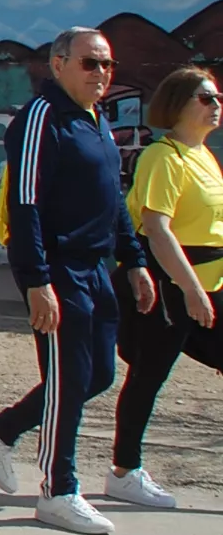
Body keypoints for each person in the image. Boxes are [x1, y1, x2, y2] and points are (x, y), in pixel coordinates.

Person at [0, 27, 154, 535]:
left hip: (97, 269)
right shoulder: (39, 120)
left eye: (108, 65)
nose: (102, 74)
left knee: (96, 377)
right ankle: (58, 491)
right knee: (68, 380)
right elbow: (24, 204)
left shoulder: (97, 120)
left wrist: (133, 260)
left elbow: (114, 196)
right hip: (58, 268)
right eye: (91, 64)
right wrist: (36, 280)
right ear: (59, 64)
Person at [107, 65, 223, 509]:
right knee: (148, 375)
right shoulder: (163, 157)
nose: (216, 106)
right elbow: (157, 228)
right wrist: (192, 289)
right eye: (206, 98)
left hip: (208, 283)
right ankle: (124, 470)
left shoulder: (203, 156)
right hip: (167, 284)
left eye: (217, 98)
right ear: (178, 105)